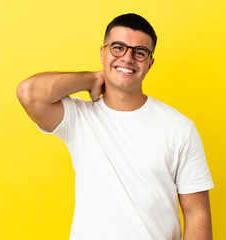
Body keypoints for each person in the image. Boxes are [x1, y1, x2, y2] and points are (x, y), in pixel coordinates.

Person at [17, 13, 214, 240]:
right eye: (118, 47)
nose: (128, 58)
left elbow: (196, 214)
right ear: (102, 52)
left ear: (149, 63)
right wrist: (91, 78)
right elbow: (29, 93)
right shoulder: (79, 117)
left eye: (139, 52)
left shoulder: (180, 128)